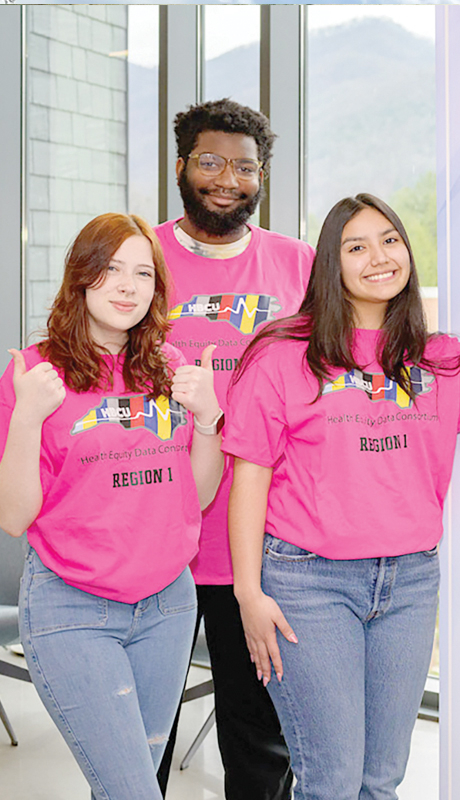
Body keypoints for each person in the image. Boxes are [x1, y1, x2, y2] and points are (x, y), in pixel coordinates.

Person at [223, 193, 460, 798]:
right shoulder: (284, 356)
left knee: (380, 781)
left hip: (409, 584)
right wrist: (248, 591)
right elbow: (249, 473)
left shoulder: (437, 360)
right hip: (309, 585)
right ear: (331, 265)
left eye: (389, 240)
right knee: (331, 781)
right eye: (355, 247)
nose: (378, 257)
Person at [0, 213, 223, 798]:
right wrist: (26, 416)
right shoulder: (34, 372)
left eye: (143, 273)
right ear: (81, 277)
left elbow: (196, 497)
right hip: (73, 607)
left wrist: (207, 423)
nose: (128, 286)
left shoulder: (170, 369)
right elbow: (14, 516)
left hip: (169, 607)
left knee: (127, 786)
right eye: (111, 269)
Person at [156, 98, 312, 798]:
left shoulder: (299, 264)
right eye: (212, 162)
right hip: (154, 534)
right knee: (142, 738)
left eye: (245, 166)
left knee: (258, 741)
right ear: (183, 165)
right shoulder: (141, 256)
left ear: (262, 176)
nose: (228, 179)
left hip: (256, 543)